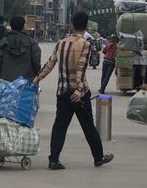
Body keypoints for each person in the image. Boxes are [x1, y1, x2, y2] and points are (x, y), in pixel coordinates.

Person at [34, 12, 114, 170]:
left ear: (72, 25)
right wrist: (78, 89)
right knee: (88, 126)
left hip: (62, 92)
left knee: (60, 126)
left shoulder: (61, 43)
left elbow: (49, 64)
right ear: (86, 27)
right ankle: (98, 157)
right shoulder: (85, 44)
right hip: (80, 94)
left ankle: (54, 160)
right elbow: (81, 68)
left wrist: (36, 80)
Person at [0, 16, 42, 81]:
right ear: (23, 26)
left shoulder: (3, 41)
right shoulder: (31, 42)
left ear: (11, 26)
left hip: (6, 81)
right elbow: (36, 60)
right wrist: (37, 74)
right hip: (26, 81)